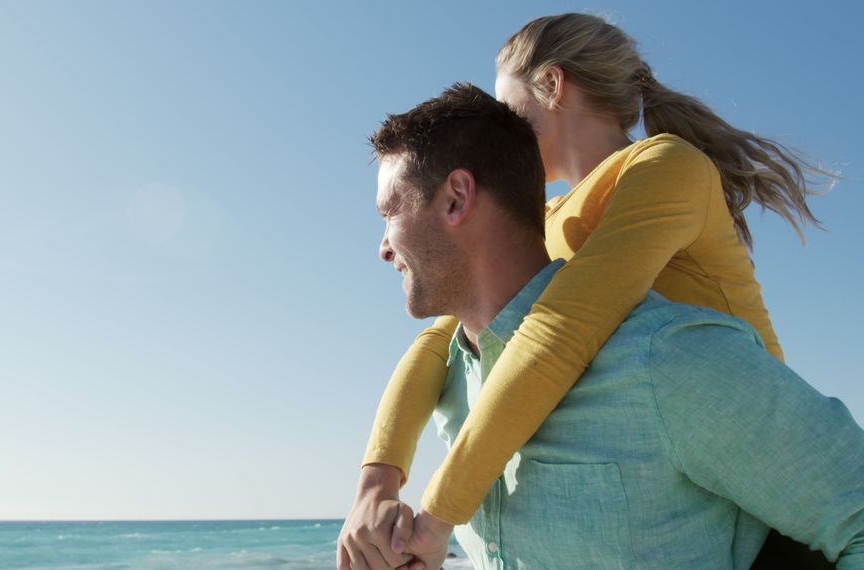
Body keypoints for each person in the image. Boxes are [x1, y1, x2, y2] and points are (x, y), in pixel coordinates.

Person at [341, 12, 836, 569]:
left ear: (552, 86)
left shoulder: (664, 167)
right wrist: (376, 484)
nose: (504, 132)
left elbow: (563, 330)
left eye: (510, 112)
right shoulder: (550, 217)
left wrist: (439, 516)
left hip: (761, 499)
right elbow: (439, 344)